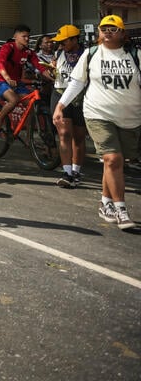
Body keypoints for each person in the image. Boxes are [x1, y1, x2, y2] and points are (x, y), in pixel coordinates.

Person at [54, 15, 139, 230]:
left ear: (122, 33)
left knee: (117, 162)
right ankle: (121, 209)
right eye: (104, 29)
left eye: (113, 28)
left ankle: (105, 202)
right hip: (98, 113)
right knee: (112, 159)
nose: (108, 32)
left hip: (130, 118)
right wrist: (60, 105)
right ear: (99, 33)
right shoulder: (91, 55)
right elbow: (77, 82)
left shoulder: (135, 55)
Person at [50, 24, 88, 188]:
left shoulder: (87, 54)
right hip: (60, 95)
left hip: (81, 97)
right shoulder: (58, 53)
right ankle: (67, 172)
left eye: (64, 41)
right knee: (64, 134)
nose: (60, 45)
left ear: (74, 39)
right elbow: (55, 74)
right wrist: (50, 72)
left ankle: (76, 170)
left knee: (79, 136)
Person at [0, 24, 52, 113]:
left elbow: (41, 67)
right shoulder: (8, 47)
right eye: (24, 36)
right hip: (0, 81)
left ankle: (28, 127)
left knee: (31, 104)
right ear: (15, 36)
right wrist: (8, 78)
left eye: (28, 36)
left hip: (16, 83)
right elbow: (0, 63)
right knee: (13, 100)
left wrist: (53, 79)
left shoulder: (29, 52)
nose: (27, 39)